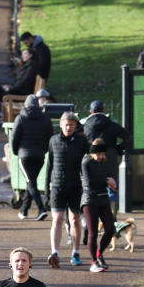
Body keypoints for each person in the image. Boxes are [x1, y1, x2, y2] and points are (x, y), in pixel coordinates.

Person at [45, 111, 88, 268]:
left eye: (71, 125)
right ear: (61, 125)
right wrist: (46, 189)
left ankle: (75, 252)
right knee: (57, 219)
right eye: (66, 124)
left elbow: (88, 163)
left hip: (76, 186)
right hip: (57, 185)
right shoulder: (54, 140)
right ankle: (54, 252)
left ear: (75, 126)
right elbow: (49, 164)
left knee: (75, 219)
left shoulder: (82, 141)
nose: (69, 127)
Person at [10, 94, 52, 221]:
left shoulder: (20, 118)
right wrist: (44, 151)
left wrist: (16, 151)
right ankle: (24, 210)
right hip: (39, 155)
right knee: (31, 181)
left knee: (30, 182)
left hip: (24, 155)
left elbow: (14, 137)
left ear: (26, 105)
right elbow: (49, 137)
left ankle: (41, 209)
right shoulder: (45, 118)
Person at [82, 100, 129, 208]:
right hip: (110, 159)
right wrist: (118, 148)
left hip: (92, 161)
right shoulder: (112, 125)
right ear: (103, 111)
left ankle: (97, 216)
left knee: (92, 186)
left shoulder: (85, 126)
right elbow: (128, 137)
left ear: (90, 112)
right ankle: (112, 216)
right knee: (112, 186)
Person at [80, 139, 117, 273]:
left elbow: (108, 176)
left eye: (102, 154)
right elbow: (89, 183)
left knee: (110, 228)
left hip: (103, 199)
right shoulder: (86, 162)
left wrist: (112, 182)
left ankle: (99, 254)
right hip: (89, 200)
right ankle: (93, 262)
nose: (100, 156)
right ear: (92, 153)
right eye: (98, 154)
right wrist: (107, 181)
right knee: (93, 232)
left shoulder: (104, 162)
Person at [0, 47, 36, 124]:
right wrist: (9, 87)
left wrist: (10, 88)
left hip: (22, 93)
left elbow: (23, 83)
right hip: (18, 90)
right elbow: (19, 80)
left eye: (25, 54)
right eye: (23, 54)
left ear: (31, 55)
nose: (23, 56)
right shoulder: (27, 66)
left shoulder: (31, 67)